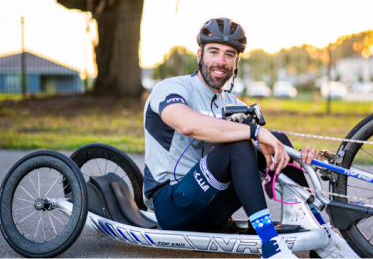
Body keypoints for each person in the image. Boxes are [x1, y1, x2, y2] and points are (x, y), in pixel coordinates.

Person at [142, 17, 359, 259]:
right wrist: (255, 132)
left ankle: (321, 234)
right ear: (199, 55)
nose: (221, 61)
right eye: (214, 52)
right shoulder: (172, 88)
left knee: (275, 138)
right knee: (242, 141)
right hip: (172, 206)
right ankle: (271, 245)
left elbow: (267, 160)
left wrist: (300, 155)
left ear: (236, 62)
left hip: (213, 208)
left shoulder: (234, 105)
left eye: (229, 55)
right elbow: (186, 124)